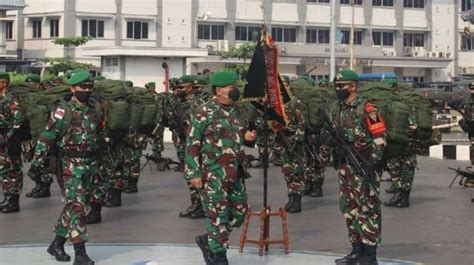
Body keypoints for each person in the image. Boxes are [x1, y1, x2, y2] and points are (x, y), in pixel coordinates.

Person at [28, 70, 103, 265]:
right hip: (69, 165)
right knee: (77, 207)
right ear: (72, 88)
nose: (86, 90)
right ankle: (81, 253)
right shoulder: (63, 111)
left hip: (90, 164)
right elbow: (48, 136)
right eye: (82, 87)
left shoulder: (95, 109)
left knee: (74, 205)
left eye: (89, 87)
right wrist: (37, 163)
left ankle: (57, 244)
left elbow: (98, 136)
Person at [186, 71, 256, 265]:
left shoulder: (238, 111)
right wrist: (193, 173)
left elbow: (241, 135)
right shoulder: (203, 113)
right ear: (219, 90)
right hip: (213, 173)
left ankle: (210, 239)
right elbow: (192, 145)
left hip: (236, 171)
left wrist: (249, 138)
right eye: (231, 87)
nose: (235, 90)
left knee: (240, 211)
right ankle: (218, 255)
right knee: (218, 214)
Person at [321, 69, 386, 265]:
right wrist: (328, 142)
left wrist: (372, 162)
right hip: (345, 167)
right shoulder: (336, 108)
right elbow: (328, 131)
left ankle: (369, 254)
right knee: (350, 209)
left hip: (363, 167)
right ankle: (356, 250)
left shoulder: (367, 108)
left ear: (353, 86)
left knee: (368, 210)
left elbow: (380, 137)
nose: (338, 89)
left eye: (341, 86)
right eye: (336, 86)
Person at [0, 72, 24, 213]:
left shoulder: (11, 99)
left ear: (4, 83)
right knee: (4, 170)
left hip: (10, 140)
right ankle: (7, 197)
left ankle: (14, 201)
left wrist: (9, 134)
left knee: (13, 170)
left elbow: (18, 120)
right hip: (3, 141)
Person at [459, 81, 474, 188]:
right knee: (473, 148)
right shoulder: (467, 99)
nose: (473, 90)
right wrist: (464, 123)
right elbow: (465, 114)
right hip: (472, 128)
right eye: (472, 88)